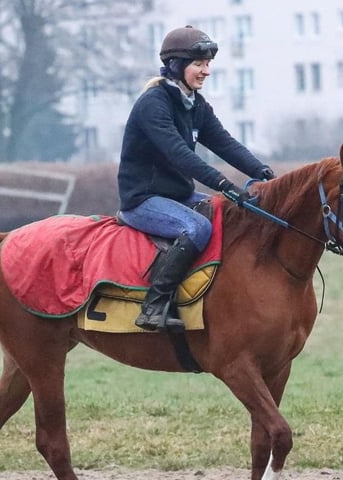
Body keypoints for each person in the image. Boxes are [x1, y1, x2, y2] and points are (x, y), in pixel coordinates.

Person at [117, 25, 276, 332]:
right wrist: (224, 185)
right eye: (199, 64)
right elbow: (179, 154)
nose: (206, 71)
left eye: (208, 64)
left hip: (177, 196)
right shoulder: (154, 104)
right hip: (143, 200)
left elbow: (225, 143)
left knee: (231, 215)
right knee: (196, 226)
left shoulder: (195, 104)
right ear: (177, 66)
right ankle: (154, 306)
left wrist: (263, 172)